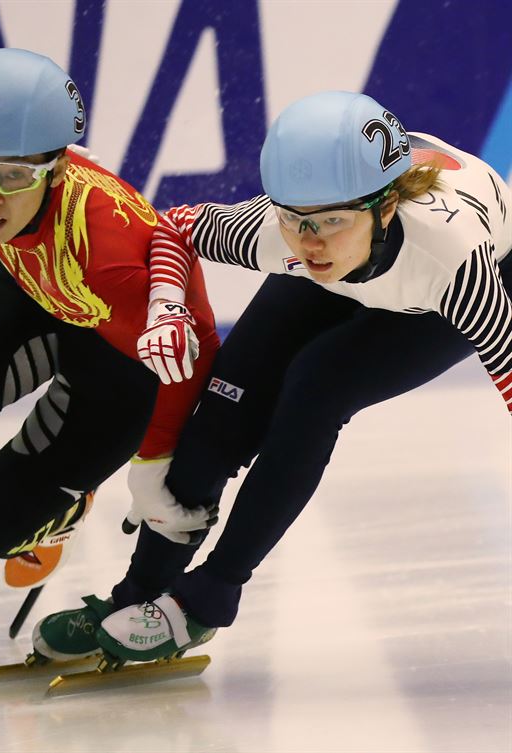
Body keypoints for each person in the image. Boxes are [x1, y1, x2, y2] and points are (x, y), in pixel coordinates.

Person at [31, 90, 512, 665]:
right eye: (294, 219)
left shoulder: (454, 268)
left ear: (384, 208)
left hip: (428, 299)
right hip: (358, 257)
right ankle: (134, 596)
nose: (310, 242)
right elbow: (167, 231)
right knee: (226, 405)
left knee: (317, 384)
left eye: (328, 221)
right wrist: (165, 306)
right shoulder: (281, 232)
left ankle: (208, 599)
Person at [0, 47, 219, 590]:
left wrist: (155, 467)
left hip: (125, 369)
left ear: (56, 168)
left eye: (12, 176)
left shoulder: (112, 257)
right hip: (40, 295)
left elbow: (191, 353)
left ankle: (65, 509)